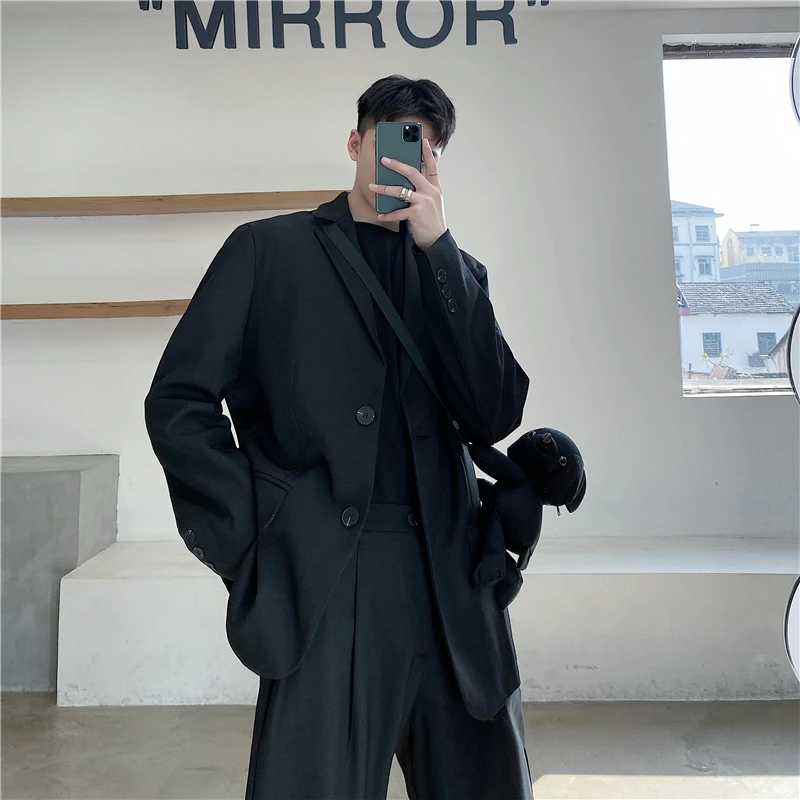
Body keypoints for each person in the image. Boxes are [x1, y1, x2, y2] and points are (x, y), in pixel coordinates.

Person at [144, 74, 533, 800]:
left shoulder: (454, 274)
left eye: (426, 150)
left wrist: (440, 250)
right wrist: (250, 539)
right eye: (391, 141)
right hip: (324, 572)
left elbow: (496, 413)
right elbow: (179, 401)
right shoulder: (267, 251)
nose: (407, 162)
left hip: (452, 575)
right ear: (356, 144)